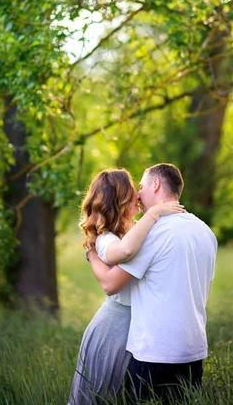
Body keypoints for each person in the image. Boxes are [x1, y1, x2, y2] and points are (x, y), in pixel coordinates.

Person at [88, 163, 218, 404]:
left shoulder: (153, 233)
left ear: (155, 184)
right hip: (194, 350)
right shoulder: (206, 231)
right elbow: (205, 291)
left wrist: (91, 254)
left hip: (156, 352)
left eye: (140, 186)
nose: (137, 195)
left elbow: (111, 283)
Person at [68, 168, 185, 405]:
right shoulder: (106, 239)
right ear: (119, 199)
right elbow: (122, 255)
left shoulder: (134, 232)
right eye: (133, 191)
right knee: (99, 397)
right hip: (115, 330)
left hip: (140, 329)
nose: (139, 196)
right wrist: (155, 213)